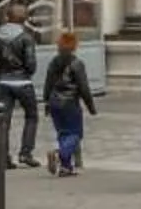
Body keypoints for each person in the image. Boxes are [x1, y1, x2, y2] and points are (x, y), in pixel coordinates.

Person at [0, 2, 41, 169]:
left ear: (7, 17)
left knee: (3, 120)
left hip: (3, 82)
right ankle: (26, 152)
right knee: (31, 116)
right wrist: (25, 72)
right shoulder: (26, 37)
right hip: (23, 81)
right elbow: (31, 64)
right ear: (25, 19)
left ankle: (3, 156)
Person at [43, 32, 95, 180]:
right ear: (74, 47)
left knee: (63, 133)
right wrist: (90, 106)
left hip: (54, 102)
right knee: (76, 134)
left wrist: (46, 102)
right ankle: (60, 154)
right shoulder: (77, 64)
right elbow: (83, 87)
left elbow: (48, 84)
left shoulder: (53, 62)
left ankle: (66, 167)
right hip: (70, 103)